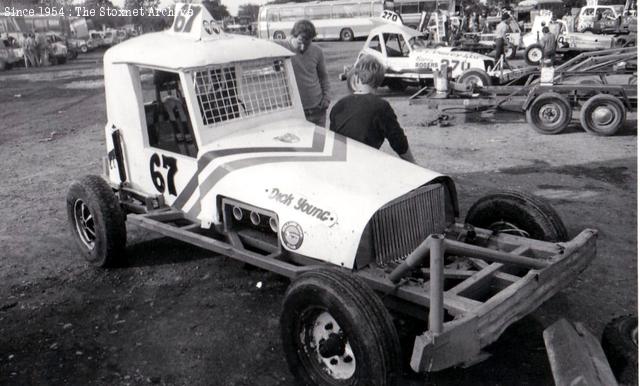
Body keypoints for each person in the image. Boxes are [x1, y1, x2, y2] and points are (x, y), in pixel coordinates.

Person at [329, 55, 416, 163]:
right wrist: (414, 164)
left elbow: (332, 140)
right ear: (380, 80)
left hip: (340, 163)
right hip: (364, 163)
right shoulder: (381, 107)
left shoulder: (339, 105)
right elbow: (399, 142)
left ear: (356, 76)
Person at [275, 20, 330, 127]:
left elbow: (324, 76)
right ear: (293, 36)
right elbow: (260, 43)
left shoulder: (317, 51)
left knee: (319, 141)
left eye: (308, 42)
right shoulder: (282, 47)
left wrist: (326, 97)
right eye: (300, 41)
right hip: (295, 110)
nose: (303, 46)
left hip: (317, 109)